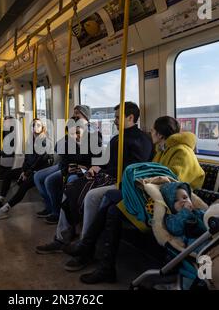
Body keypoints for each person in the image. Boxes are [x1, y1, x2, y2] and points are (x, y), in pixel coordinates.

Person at [64, 115, 205, 284]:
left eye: (153, 130)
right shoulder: (164, 150)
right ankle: (97, 258)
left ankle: (90, 250)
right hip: (154, 198)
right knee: (112, 206)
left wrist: (141, 183)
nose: (150, 132)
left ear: (160, 134)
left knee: (112, 204)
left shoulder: (181, 152)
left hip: (170, 206)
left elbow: (172, 185)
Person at [35, 102, 153, 257]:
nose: (115, 121)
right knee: (70, 189)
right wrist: (95, 168)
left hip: (123, 181)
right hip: (106, 175)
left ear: (130, 117)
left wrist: (100, 168)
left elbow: (133, 168)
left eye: (118, 117)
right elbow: (105, 159)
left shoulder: (141, 139)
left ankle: (85, 245)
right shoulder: (117, 138)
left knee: (91, 196)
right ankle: (62, 237)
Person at [33, 105, 102, 223]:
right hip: (70, 166)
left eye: (78, 113)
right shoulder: (71, 134)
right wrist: (67, 168)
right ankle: (54, 209)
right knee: (42, 177)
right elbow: (63, 155)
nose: (75, 115)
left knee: (69, 180)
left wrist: (86, 167)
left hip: (86, 169)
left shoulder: (94, 135)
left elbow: (97, 159)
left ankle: (68, 216)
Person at [0, 118, 52, 220]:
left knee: (24, 186)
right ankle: (0, 200)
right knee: (9, 174)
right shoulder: (30, 140)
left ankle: (4, 210)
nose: (35, 127)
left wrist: (28, 173)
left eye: (38, 125)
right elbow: (26, 159)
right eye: (33, 125)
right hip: (28, 170)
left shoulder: (45, 141)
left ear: (42, 128)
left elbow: (41, 160)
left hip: (39, 171)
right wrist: (23, 171)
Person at [160, 182, 207, 248]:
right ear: (170, 205)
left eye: (185, 197)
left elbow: (206, 217)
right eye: (176, 200)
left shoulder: (196, 211)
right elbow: (175, 229)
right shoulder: (171, 218)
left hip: (207, 234)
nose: (183, 201)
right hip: (192, 241)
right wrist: (185, 212)